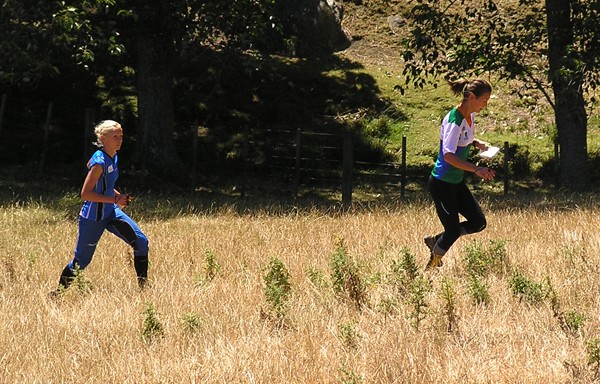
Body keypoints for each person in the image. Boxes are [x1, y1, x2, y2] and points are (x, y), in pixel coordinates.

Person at [53, 120, 149, 292]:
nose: (119, 140)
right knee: (81, 261)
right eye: (115, 137)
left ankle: (144, 289)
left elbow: (105, 184)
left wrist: (117, 196)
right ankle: (58, 294)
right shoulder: (99, 163)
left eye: (121, 136)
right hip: (93, 218)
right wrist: (115, 200)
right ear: (103, 138)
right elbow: (86, 194)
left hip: (110, 212)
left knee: (141, 242)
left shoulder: (113, 156)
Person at [424, 78, 495, 270]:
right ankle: (431, 268)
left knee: (478, 223)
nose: (485, 105)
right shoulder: (454, 120)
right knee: (453, 231)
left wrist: (476, 142)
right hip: (442, 184)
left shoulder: (469, 116)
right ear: (472, 97)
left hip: (456, 183)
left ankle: (437, 241)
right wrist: (476, 169)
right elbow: (448, 155)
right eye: (484, 101)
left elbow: (463, 139)